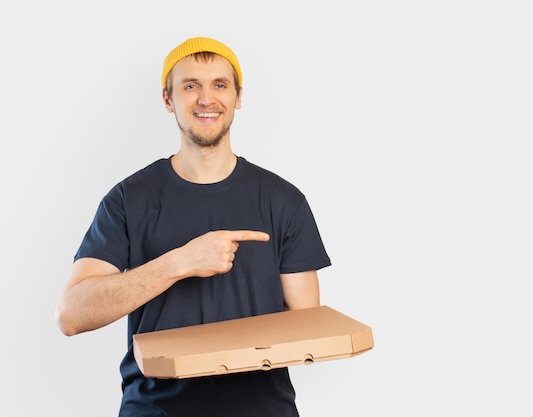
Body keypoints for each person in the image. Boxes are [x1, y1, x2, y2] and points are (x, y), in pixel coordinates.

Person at [55, 36, 331, 417]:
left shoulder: (284, 200)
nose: (206, 99)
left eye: (219, 85)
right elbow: (71, 315)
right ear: (168, 100)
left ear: (238, 97)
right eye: (190, 86)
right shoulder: (128, 199)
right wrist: (179, 263)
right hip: (155, 410)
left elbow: (305, 331)